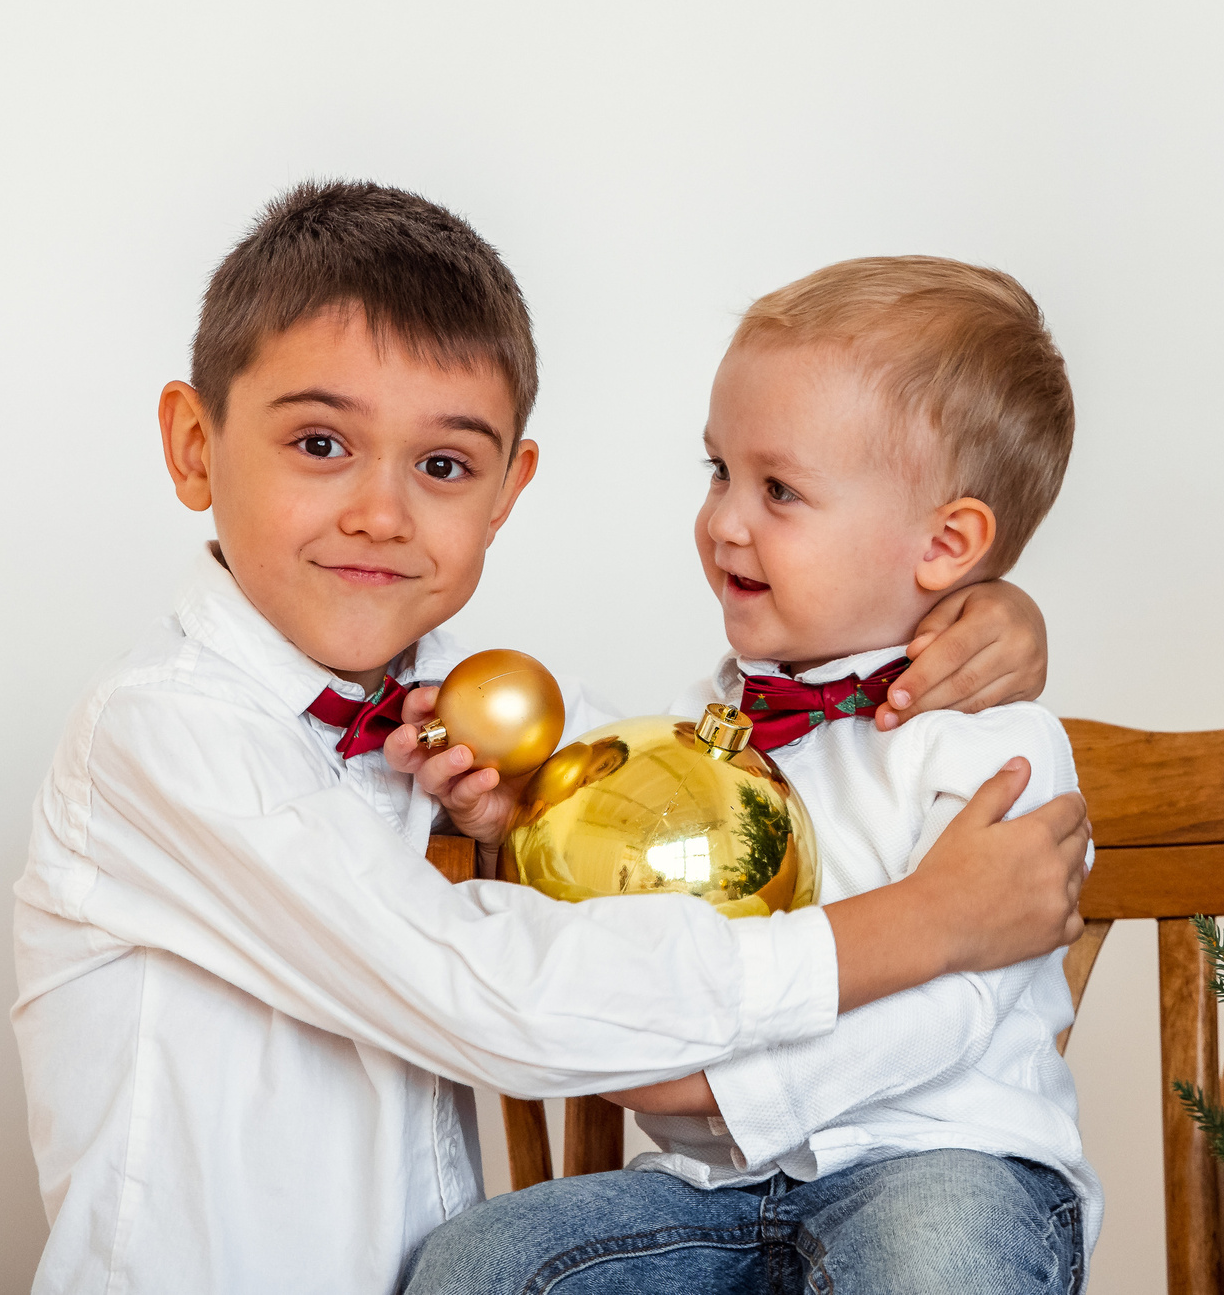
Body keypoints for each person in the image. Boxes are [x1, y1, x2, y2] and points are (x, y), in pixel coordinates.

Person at [11, 185, 1091, 1295]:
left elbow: (629, 821)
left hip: (918, 1167)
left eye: (441, 466)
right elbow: (489, 989)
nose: (380, 513)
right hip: (688, 1186)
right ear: (197, 447)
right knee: (483, 1266)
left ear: (504, 492)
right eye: (321, 442)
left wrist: (515, 813)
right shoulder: (161, 736)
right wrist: (919, 925)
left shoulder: (462, 708)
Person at [408, 255, 1096, 1295]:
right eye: (718, 471)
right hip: (710, 1188)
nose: (726, 519)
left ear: (946, 543)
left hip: (938, 1160)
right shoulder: (709, 730)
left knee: (935, 1270)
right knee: (484, 1264)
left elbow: (951, 1006)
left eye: (779, 489)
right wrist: (522, 820)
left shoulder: (990, 741)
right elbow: (639, 920)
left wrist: (734, 1094)